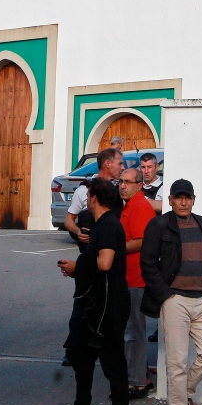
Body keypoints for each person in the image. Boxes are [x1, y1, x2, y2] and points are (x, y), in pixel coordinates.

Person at [139, 179, 202, 405]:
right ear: (171, 200)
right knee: (176, 360)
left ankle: (184, 393)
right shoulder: (159, 225)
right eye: (178, 197)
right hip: (175, 300)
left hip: (201, 300)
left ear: (193, 200)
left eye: (188, 197)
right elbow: (148, 262)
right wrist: (166, 295)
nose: (183, 202)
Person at [56, 178, 131, 405]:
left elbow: (106, 262)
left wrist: (78, 268)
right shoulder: (102, 225)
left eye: (88, 195)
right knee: (82, 355)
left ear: (95, 198)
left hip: (109, 305)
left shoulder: (109, 224)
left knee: (112, 361)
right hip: (93, 303)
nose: (86, 199)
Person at [62, 148, 124, 365]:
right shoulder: (84, 190)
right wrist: (78, 233)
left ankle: (104, 351)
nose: (122, 167)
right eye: (119, 163)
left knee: (106, 308)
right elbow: (69, 219)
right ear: (107, 164)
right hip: (90, 256)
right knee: (82, 305)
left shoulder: (121, 189)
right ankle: (73, 349)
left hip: (108, 259)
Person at [117, 168, 156, 399]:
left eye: (128, 182)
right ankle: (140, 376)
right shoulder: (131, 205)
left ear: (139, 185)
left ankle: (138, 381)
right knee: (132, 329)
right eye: (121, 181)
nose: (123, 186)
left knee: (133, 331)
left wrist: (115, 249)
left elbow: (141, 242)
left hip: (136, 278)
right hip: (128, 277)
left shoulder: (140, 207)